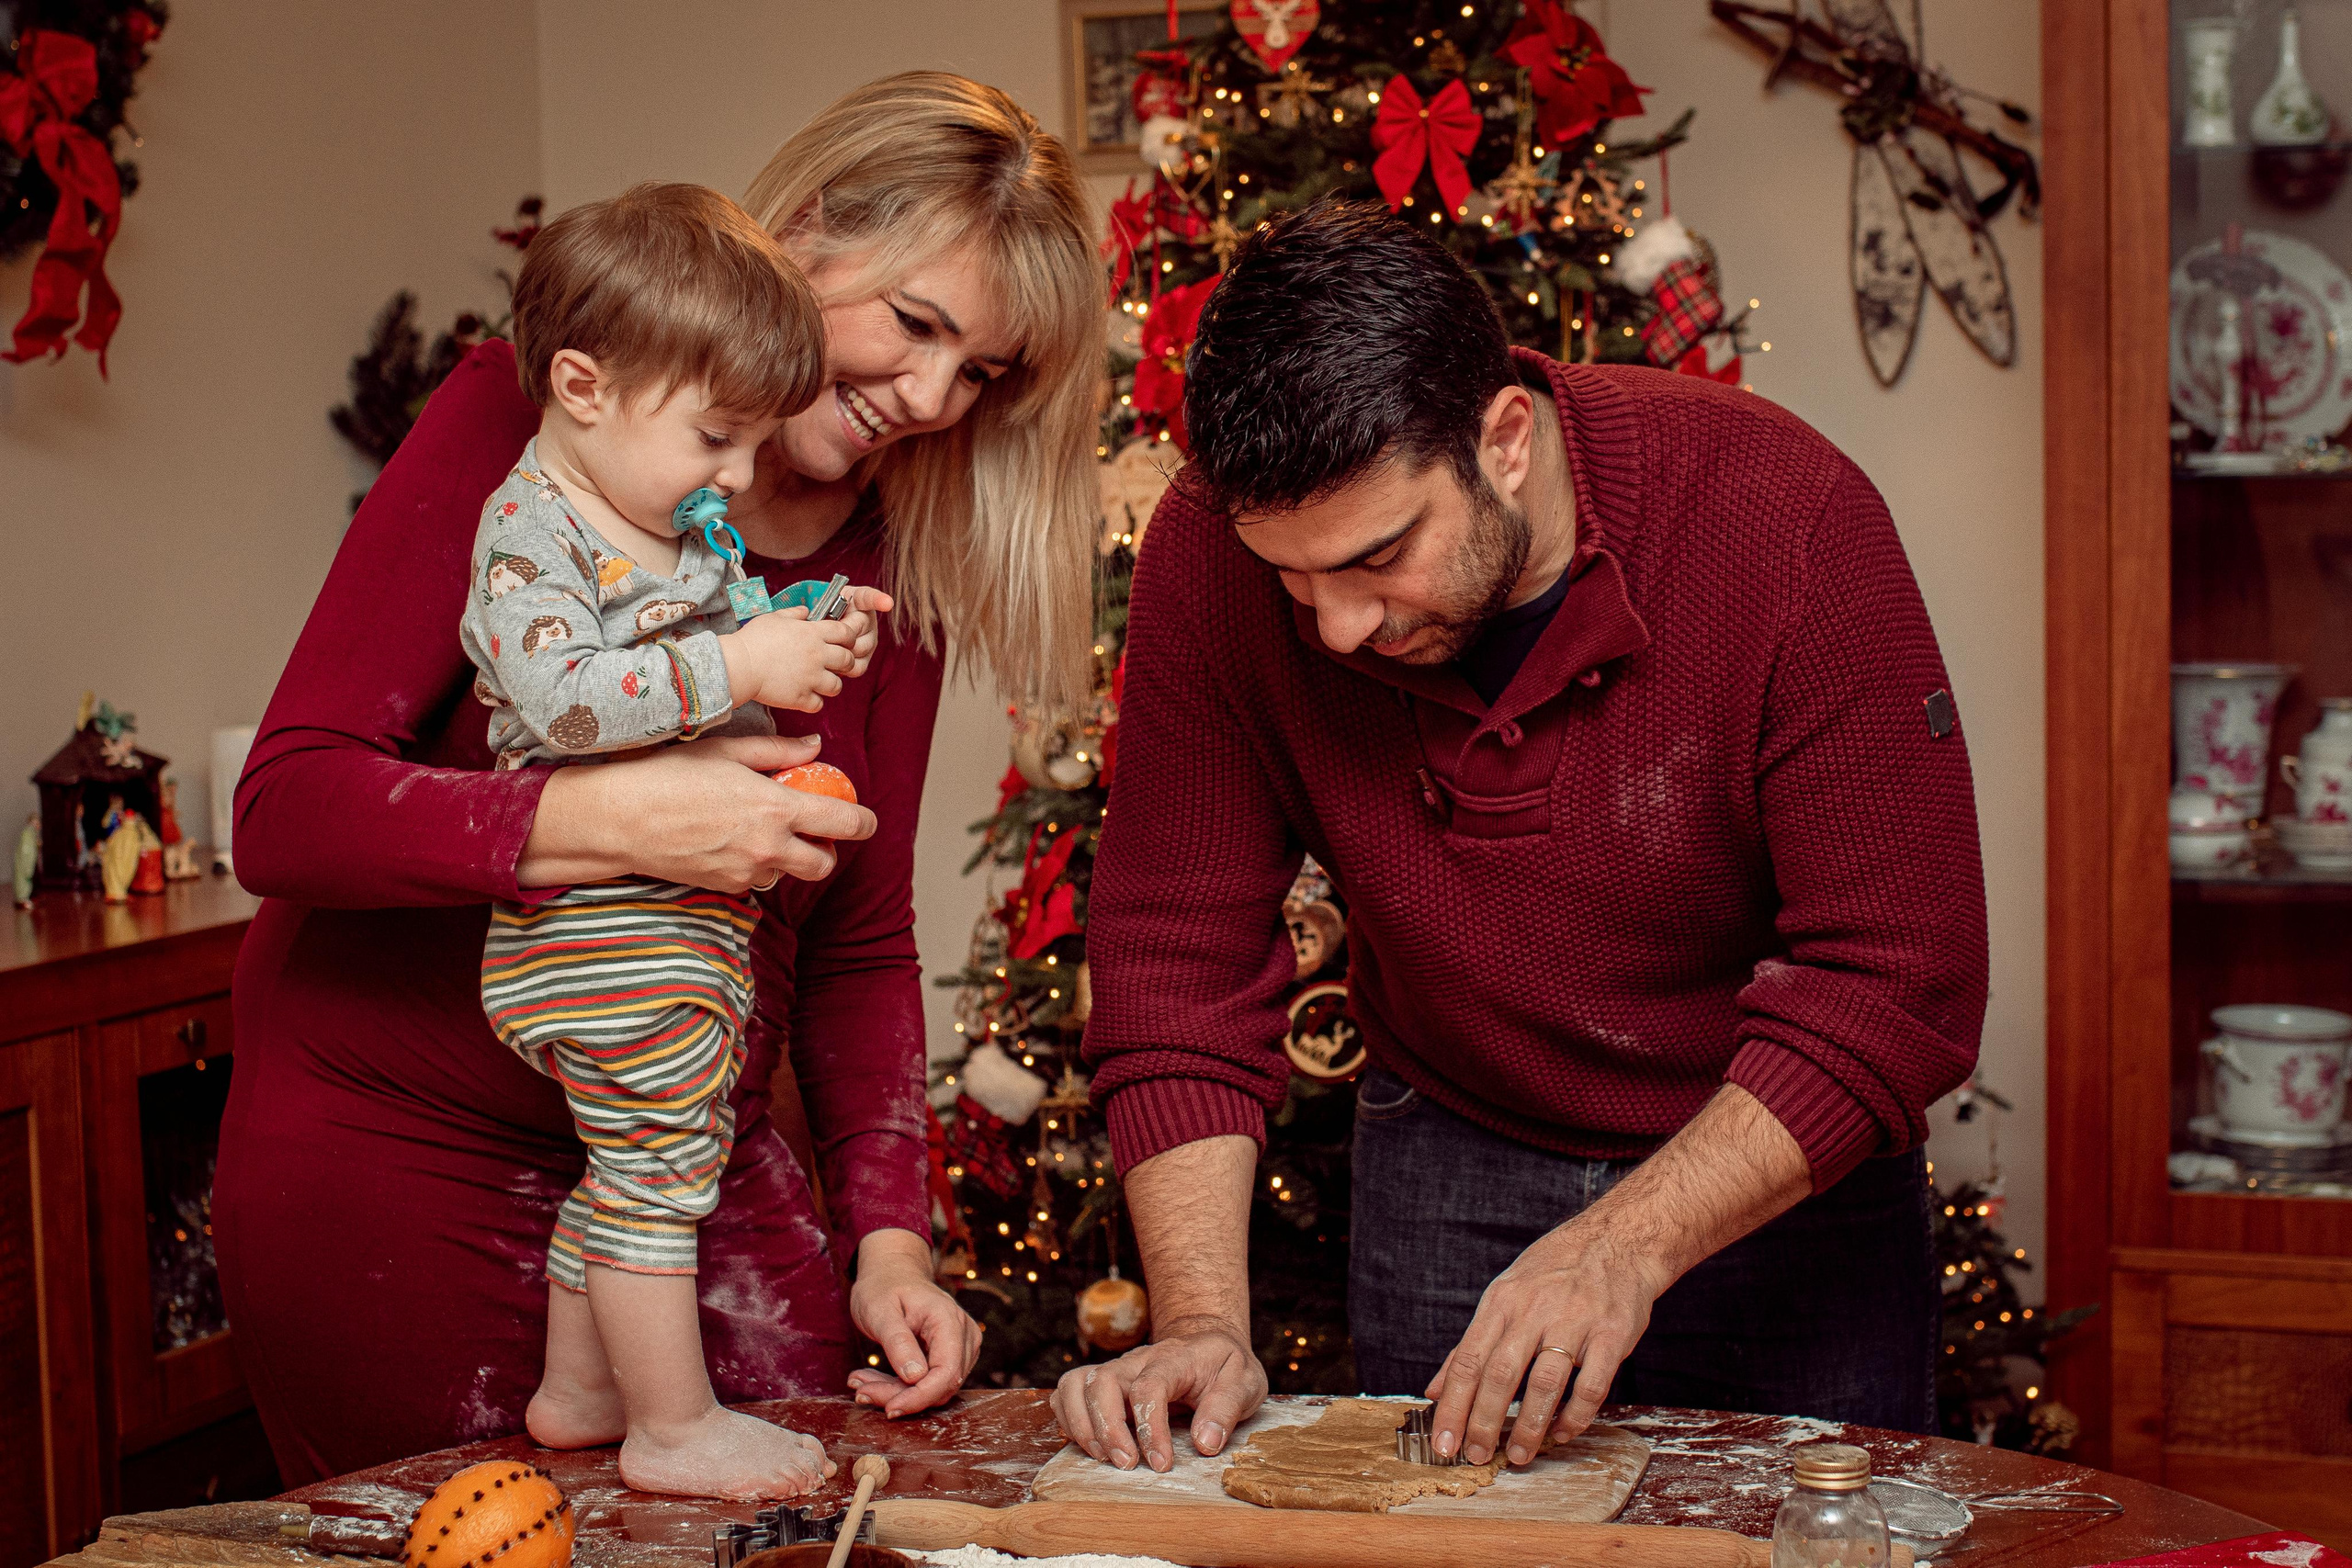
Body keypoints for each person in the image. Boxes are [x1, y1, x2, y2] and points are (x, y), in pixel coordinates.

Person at [217, 73, 1101, 1486]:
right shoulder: (534, 419)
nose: (933, 398)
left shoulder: (893, 561)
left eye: (984, 372)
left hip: (684, 1160)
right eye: (918, 326)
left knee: (810, 1504)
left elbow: (861, 940)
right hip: (403, 1153)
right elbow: (289, 807)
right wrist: (612, 818)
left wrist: (889, 1243)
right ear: (808, 233)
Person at [1056, 201, 1987, 1475]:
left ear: (1503, 440)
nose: (1333, 628)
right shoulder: (1212, 556)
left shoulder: (1787, 515)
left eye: (1381, 556)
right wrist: (1204, 1323)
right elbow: (1174, 954)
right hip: (1450, 1152)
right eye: (1294, 580)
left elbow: (1898, 978)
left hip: (1778, 1171)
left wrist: (1621, 1246)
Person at [461, 183, 900, 1498]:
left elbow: (724, 639)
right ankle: (670, 1428)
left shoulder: (660, 519)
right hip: (605, 936)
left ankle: (584, 1390)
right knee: (656, 1180)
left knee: (634, 1165)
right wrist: (737, 658)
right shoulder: (531, 531)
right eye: (715, 436)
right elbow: (567, 699)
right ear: (584, 385)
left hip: (672, 930)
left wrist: (807, 623)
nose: (739, 476)